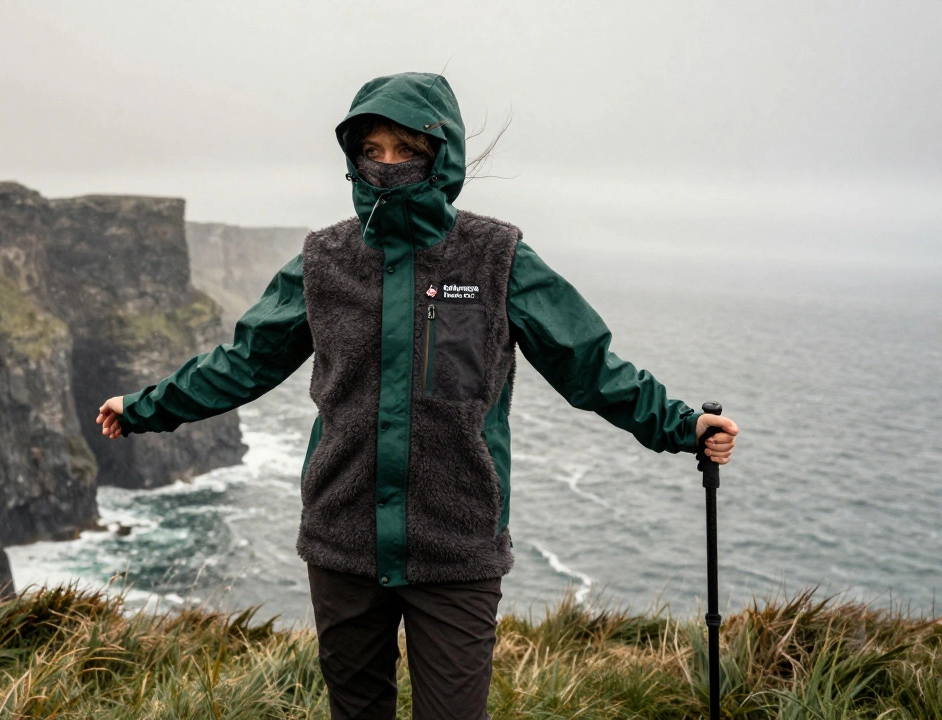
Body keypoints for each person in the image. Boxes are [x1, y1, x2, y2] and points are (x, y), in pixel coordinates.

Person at [95, 71, 738, 720]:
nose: (388, 164)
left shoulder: (497, 257)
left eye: (408, 149)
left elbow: (589, 365)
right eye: (373, 150)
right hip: (343, 542)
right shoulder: (324, 260)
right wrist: (147, 406)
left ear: (443, 154)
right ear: (353, 156)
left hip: (456, 546)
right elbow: (243, 363)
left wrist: (681, 425)